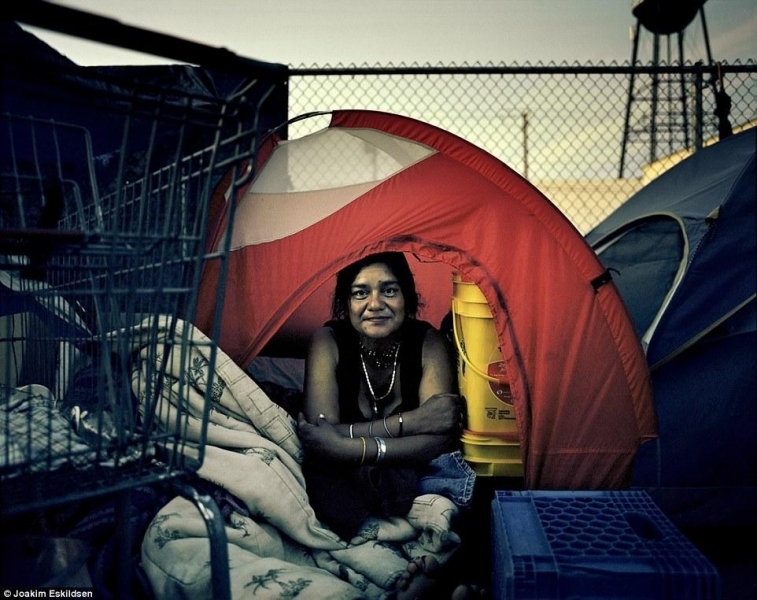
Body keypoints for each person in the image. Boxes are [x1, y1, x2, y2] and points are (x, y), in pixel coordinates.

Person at [297, 251, 484, 599]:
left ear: (407, 298)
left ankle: (437, 576)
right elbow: (322, 437)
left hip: (418, 473)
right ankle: (422, 576)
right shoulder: (328, 341)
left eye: (389, 290)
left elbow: (439, 439)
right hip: (348, 479)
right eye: (360, 293)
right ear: (345, 303)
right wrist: (412, 421)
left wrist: (351, 446)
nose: (375, 304)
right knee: (321, 490)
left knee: (458, 487)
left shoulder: (428, 343)